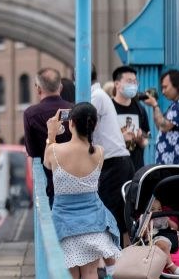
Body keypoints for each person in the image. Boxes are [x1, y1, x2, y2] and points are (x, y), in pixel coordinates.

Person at [44, 102, 120, 279]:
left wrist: (51, 134)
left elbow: (47, 164)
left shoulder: (54, 151)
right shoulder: (99, 152)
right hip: (94, 222)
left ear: (71, 123)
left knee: (69, 274)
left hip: (64, 224)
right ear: (94, 125)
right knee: (91, 273)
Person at [88, 66, 135, 248]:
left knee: (112, 216)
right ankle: (124, 264)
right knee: (120, 218)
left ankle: (119, 265)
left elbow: (83, 125)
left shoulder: (96, 97)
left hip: (114, 163)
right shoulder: (99, 95)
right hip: (117, 162)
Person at [22, 68, 73, 206]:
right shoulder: (74, 110)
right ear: (60, 87)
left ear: (38, 89)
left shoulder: (30, 114)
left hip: (51, 182)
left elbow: (32, 152)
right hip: (76, 180)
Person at [145, 69, 179, 167]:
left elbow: (164, 126)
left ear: (177, 86)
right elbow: (160, 126)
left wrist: (155, 105)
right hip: (169, 164)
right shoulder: (176, 104)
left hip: (176, 164)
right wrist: (155, 106)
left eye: (165, 87)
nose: (163, 92)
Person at [110, 66, 149, 172]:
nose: (133, 85)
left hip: (136, 169)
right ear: (117, 84)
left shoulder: (140, 109)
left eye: (135, 82)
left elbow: (146, 139)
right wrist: (121, 138)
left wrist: (141, 140)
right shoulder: (109, 108)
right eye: (129, 81)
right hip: (114, 170)